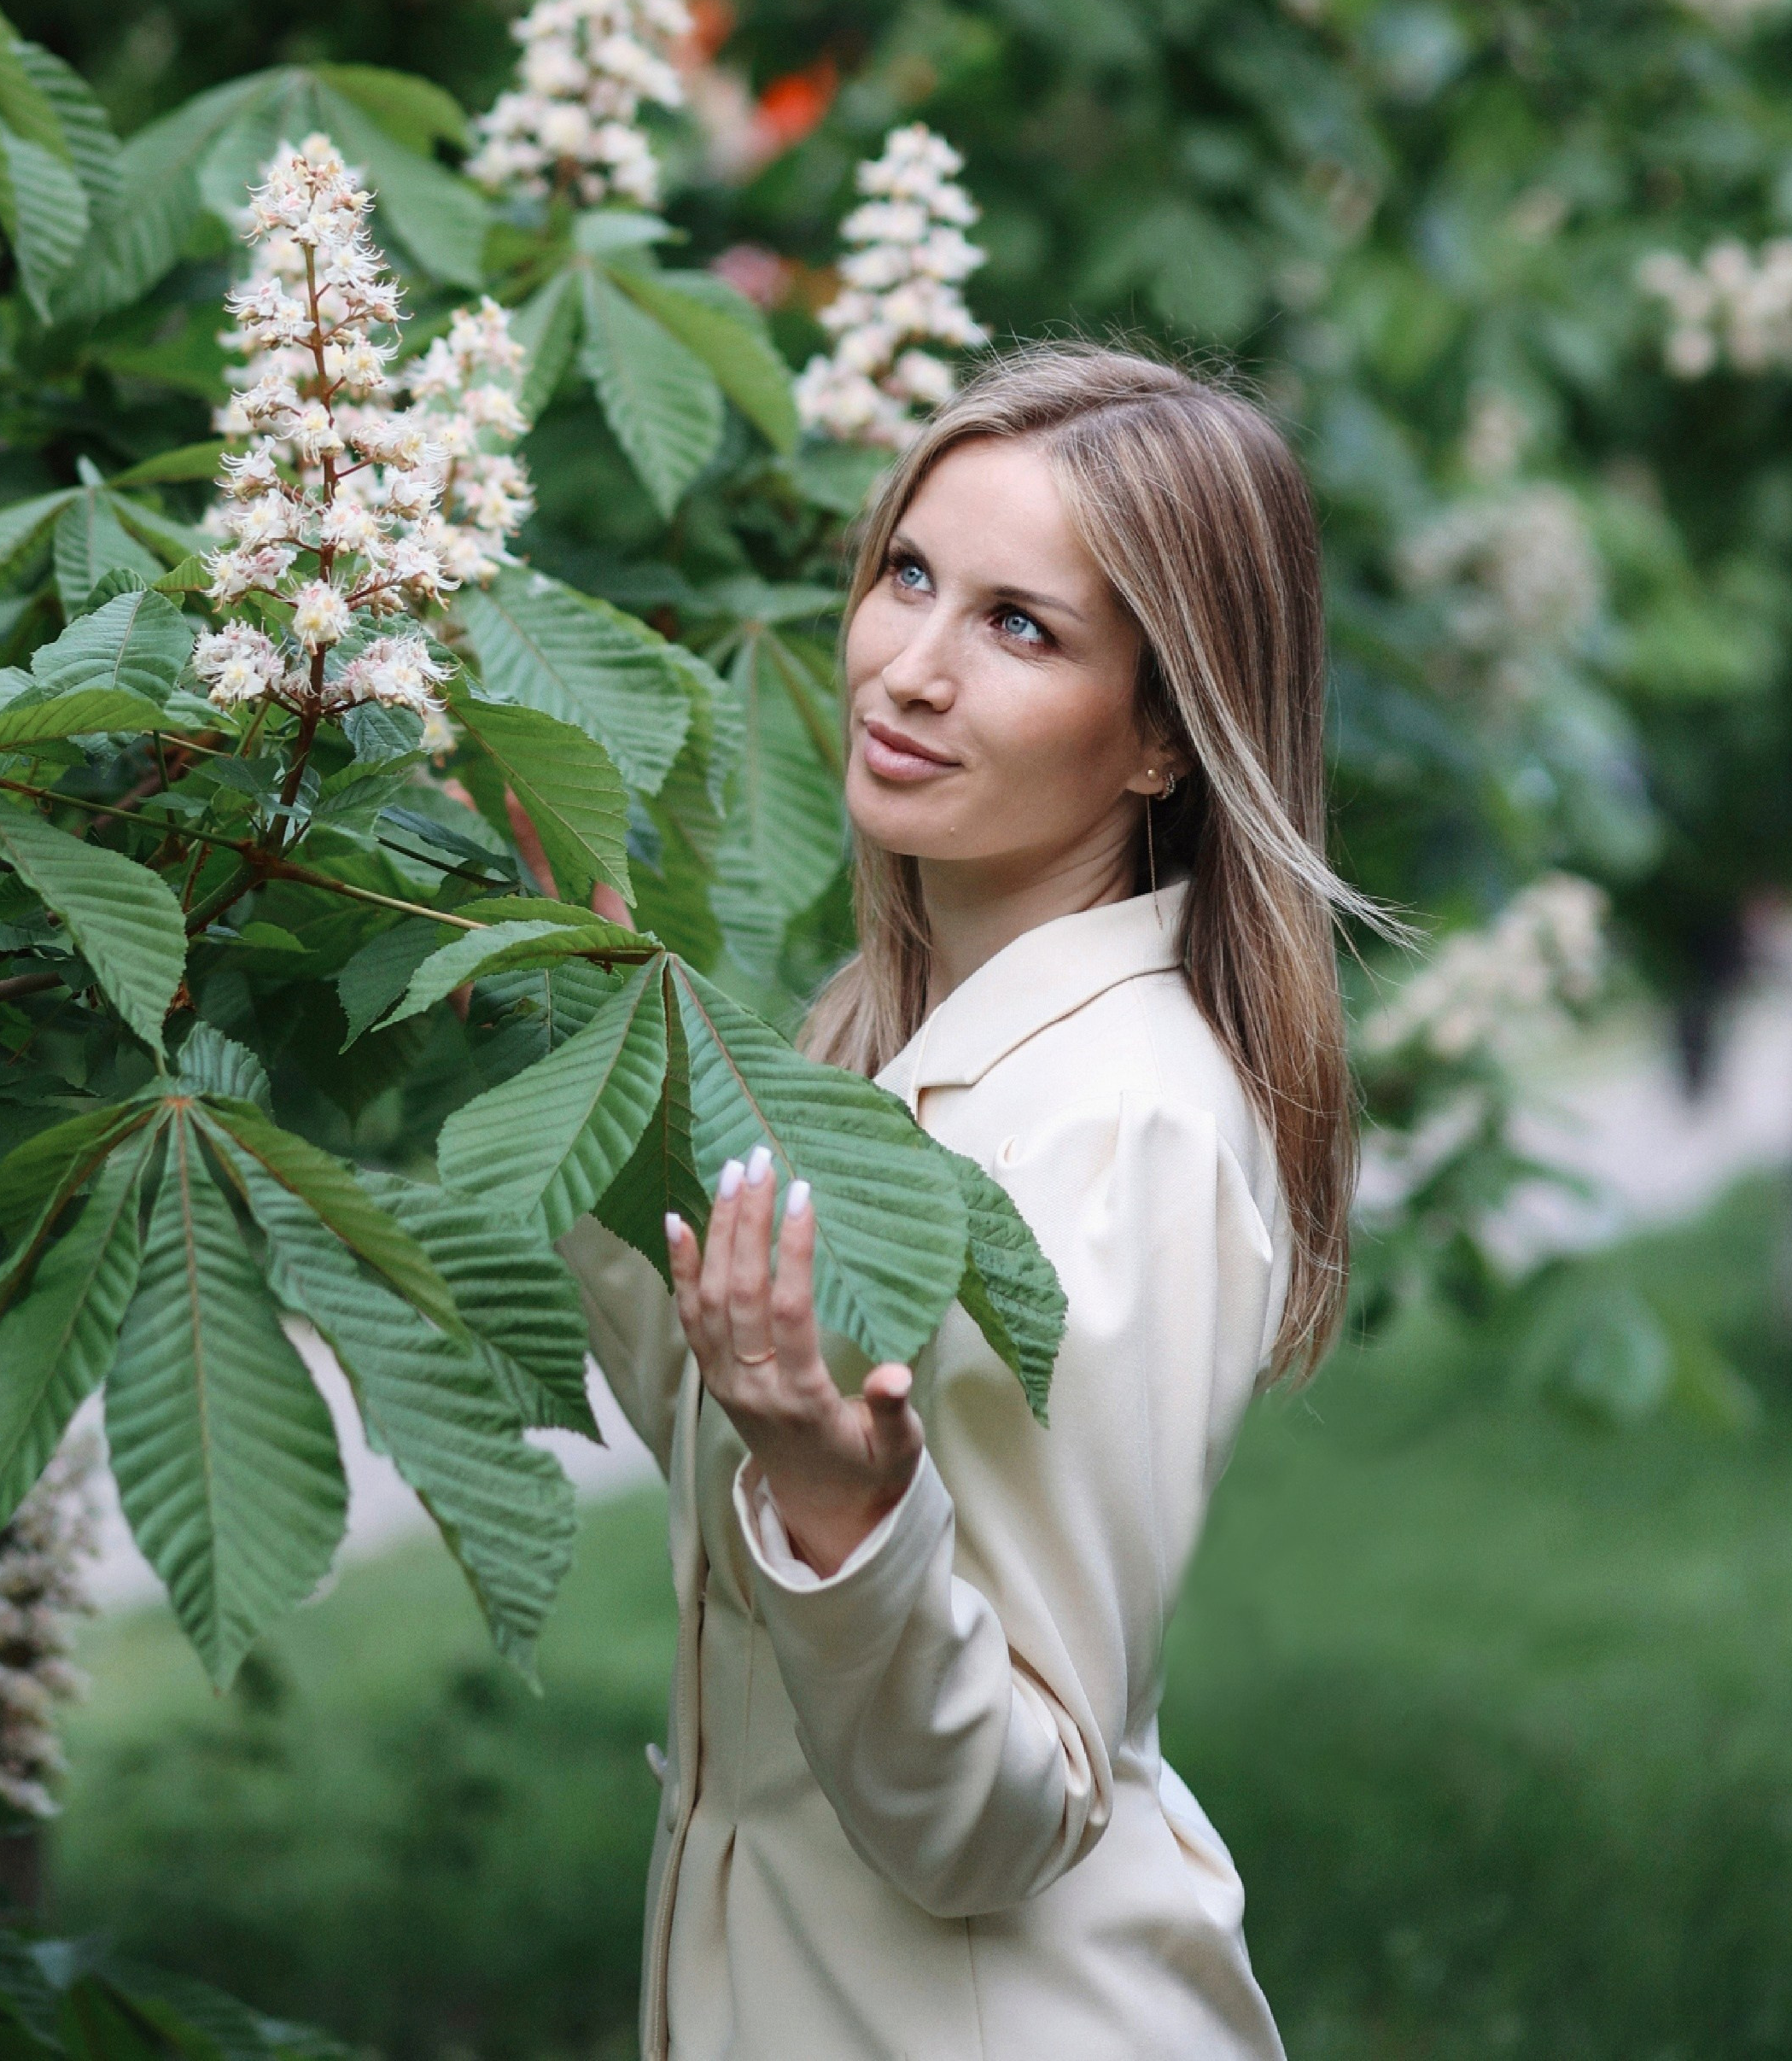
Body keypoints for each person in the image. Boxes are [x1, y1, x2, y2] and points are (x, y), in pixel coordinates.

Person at [561, 343, 1374, 2061]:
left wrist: (839, 1506)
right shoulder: (886, 1037)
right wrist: (593, 1026)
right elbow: (716, 1430)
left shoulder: (1123, 1118)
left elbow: (1009, 1808)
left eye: (1021, 626)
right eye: (909, 575)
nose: (906, 669)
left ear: (1162, 733)